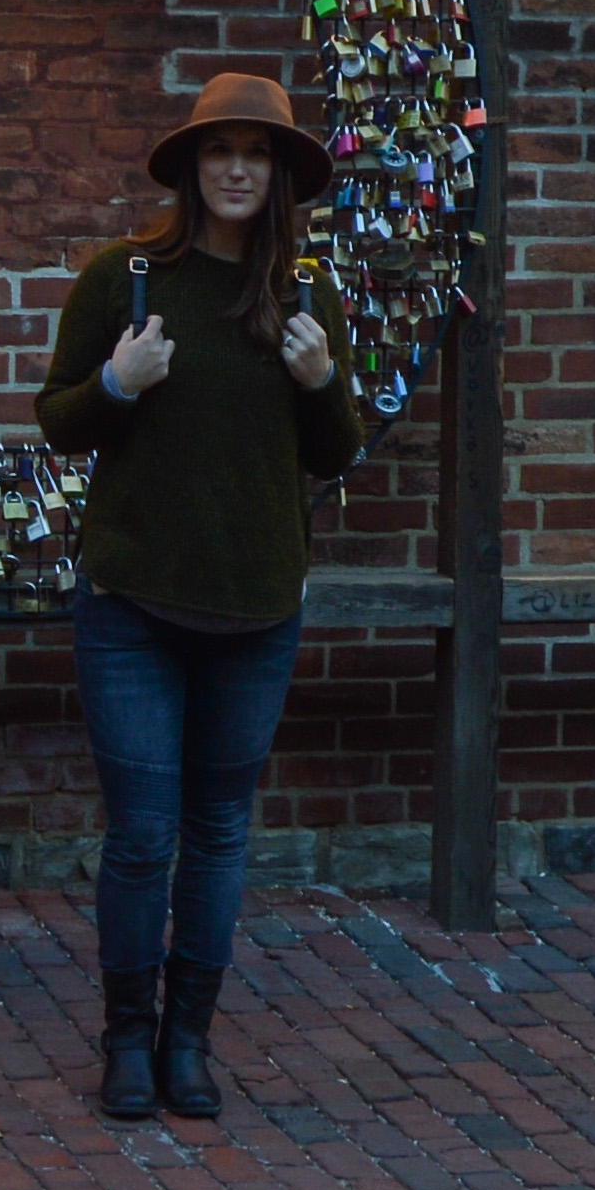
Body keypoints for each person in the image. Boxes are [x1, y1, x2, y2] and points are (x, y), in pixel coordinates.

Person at [36, 74, 362, 1121]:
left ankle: (189, 1043)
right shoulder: (121, 280)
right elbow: (59, 421)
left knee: (219, 831)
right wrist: (119, 383)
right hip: (131, 603)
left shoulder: (306, 300)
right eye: (218, 150)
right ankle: (126, 1043)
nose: (236, 168)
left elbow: (335, 453)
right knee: (142, 836)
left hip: (255, 607)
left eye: (257, 153)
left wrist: (319, 384)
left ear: (279, 177)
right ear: (188, 167)